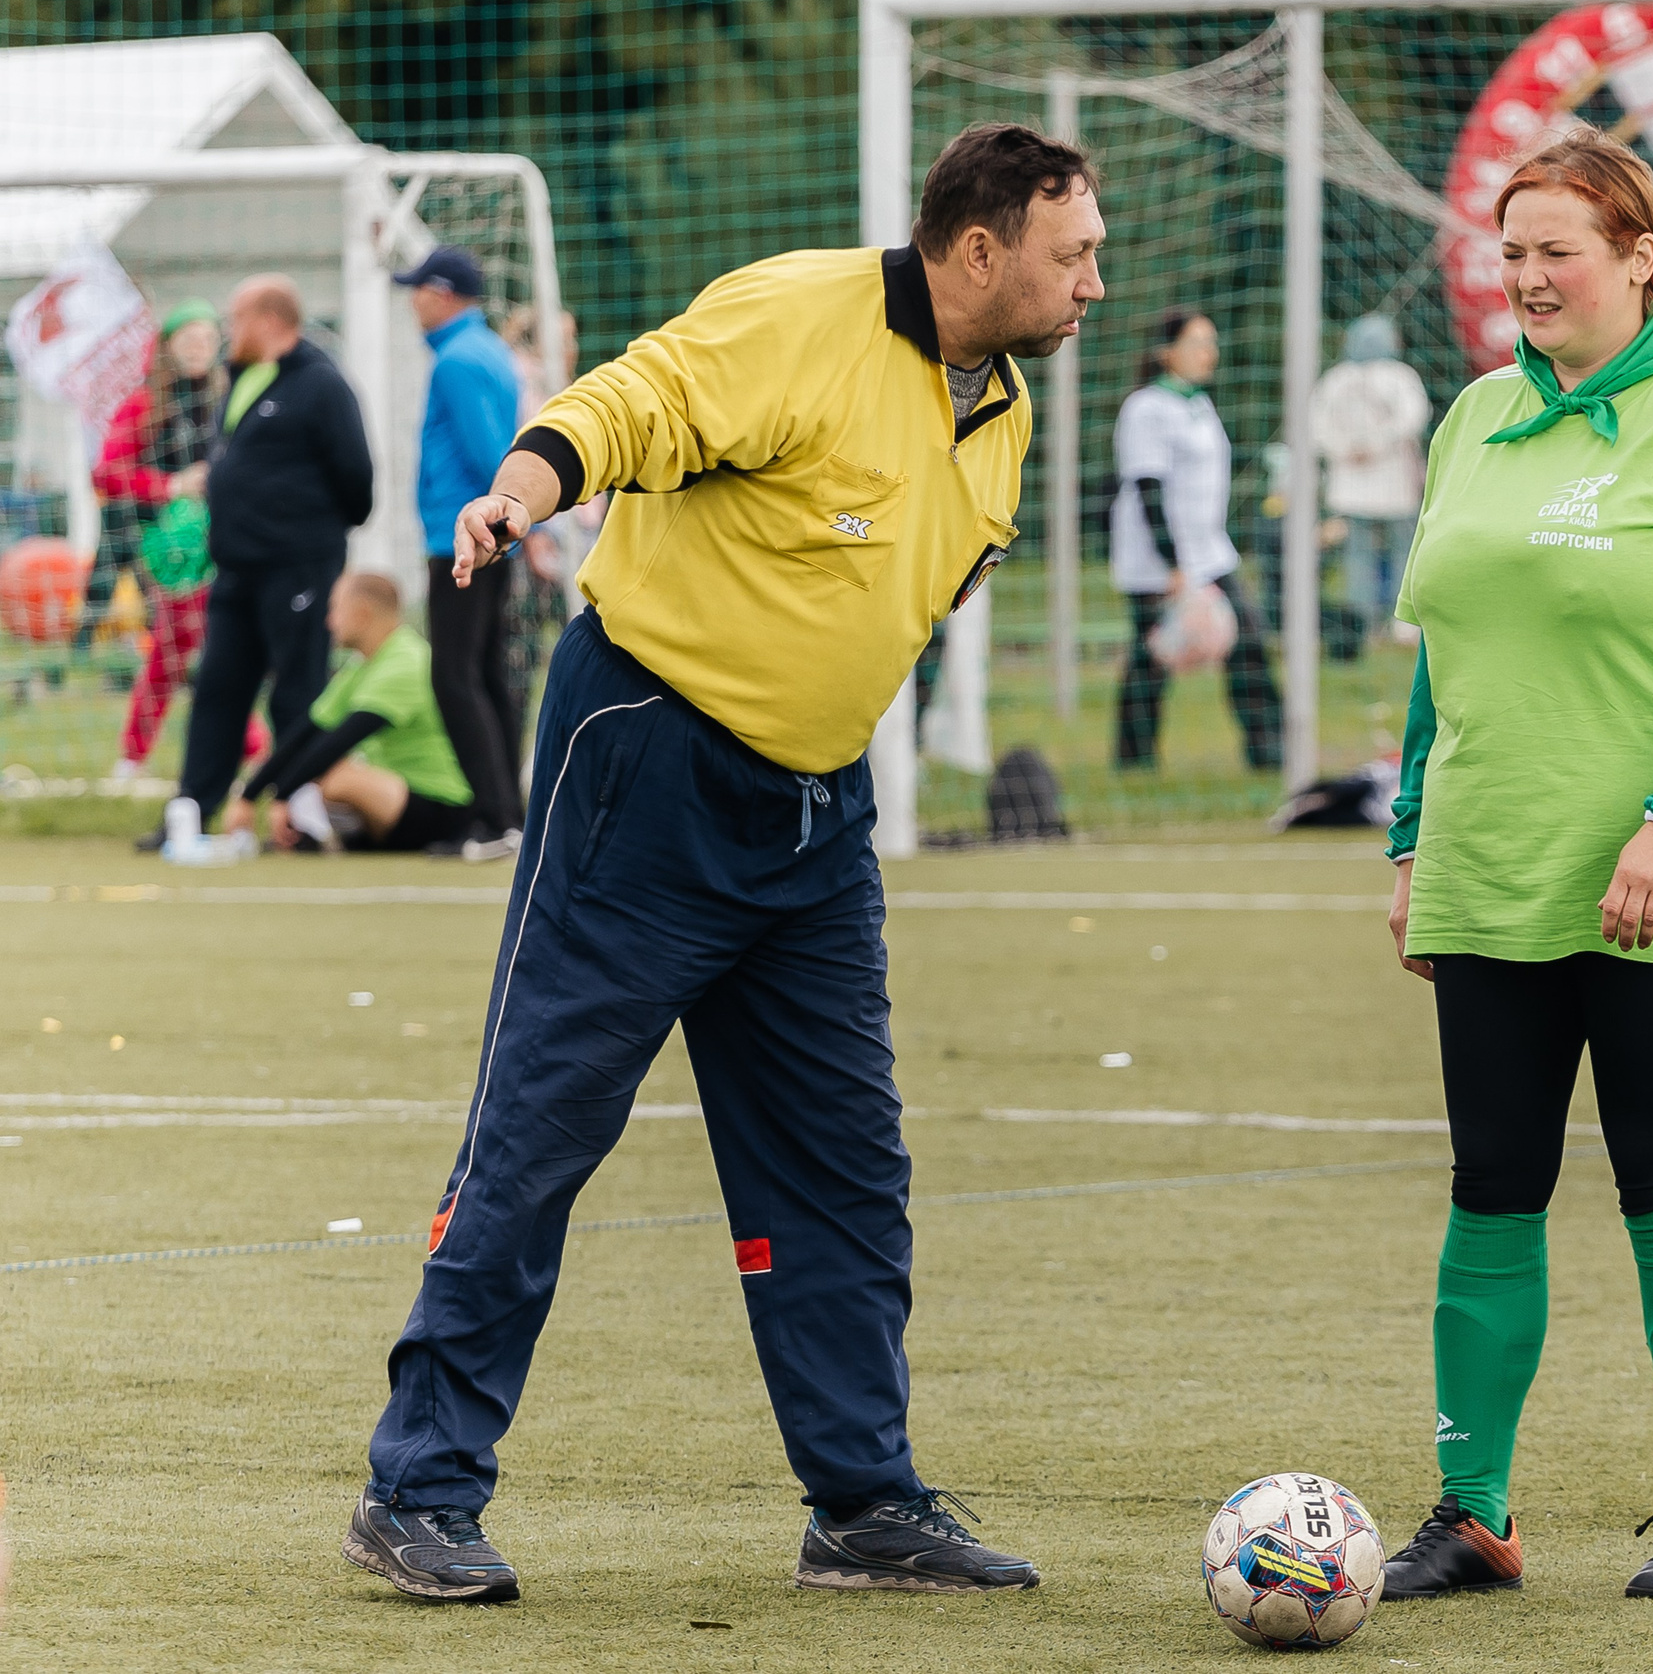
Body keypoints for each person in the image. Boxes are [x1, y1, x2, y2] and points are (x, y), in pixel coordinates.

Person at [344, 122, 1105, 1606]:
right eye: (1072, 253)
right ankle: (417, 1488)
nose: (1095, 282)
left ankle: (864, 1503)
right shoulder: (797, 314)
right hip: (647, 762)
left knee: (845, 1163)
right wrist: (521, 487)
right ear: (979, 249)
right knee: (540, 1130)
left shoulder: (1000, 406)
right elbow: (627, 406)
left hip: (816, 818)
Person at [1378, 128, 1653, 1604]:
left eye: (1559, 248)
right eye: (1512, 251)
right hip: (1489, 859)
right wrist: (1414, 836)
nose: (1529, 278)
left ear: (1640, 254)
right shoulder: (1475, 413)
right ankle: (1474, 1512)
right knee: (1490, 1180)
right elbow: (1445, 643)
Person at [153, 275, 373, 854]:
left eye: (236, 318)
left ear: (269, 321)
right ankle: (192, 811)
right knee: (218, 689)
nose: (229, 331)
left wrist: (302, 530)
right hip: (236, 570)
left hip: (298, 567)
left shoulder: (323, 385)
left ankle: (297, 815)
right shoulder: (243, 380)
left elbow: (358, 482)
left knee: (298, 692)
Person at [93, 299, 269, 777]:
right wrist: (170, 487)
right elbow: (107, 474)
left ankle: (141, 757)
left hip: (230, 546)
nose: (199, 348)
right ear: (168, 347)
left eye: (208, 339)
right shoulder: (143, 407)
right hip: (173, 555)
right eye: (188, 339)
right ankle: (254, 751)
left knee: (202, 651)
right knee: (186, 650)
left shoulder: (231, 398)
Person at [1109, 308, 1282, 770]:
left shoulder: (1199, 404)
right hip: (1160, 562)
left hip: (1211, 554)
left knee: (1248, 646)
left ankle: (1270, 753)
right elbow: (1147, 489)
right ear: (1167, 352)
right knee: (1153, 659)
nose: (1210, 353)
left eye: (1212, 342)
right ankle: (1134, 760)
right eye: (1197, 343)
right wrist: (1172, 565)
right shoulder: (1146, 408)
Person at [398, 246, 525, 858]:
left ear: (442, 293)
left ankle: (495, 817)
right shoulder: (484, 351)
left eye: (418, 289)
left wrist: (489, 527)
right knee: (484, 672)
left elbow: (487, 454)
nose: (411, 300)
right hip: (488, 538)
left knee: (455, 675)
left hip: (465, 538)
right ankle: (507, 815)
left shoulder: (458, 361)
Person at [227, 572, 475, 853]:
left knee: (335, 776)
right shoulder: (363, 664)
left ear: (361, 613)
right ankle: (331, 837)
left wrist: (281, 796)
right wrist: (247, 796)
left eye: (334, 609)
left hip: (442, 806)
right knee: (315, 770)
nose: (328, 622)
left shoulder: (407, 659)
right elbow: (305, 734)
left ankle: (318, 836)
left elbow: (338, 742)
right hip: (399, 797)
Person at [1309, 313, 1430, 642]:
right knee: (1401, 551)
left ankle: (1362, 624)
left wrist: (1347, 449)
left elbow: (1317, 426)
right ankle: (1400, 623)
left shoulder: (1336, 378)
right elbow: (1414, 417)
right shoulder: (1400, 376)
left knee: (1359, 555)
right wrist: (1375, 445)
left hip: (1353, 483)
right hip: (1391, 484)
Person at [501, 303, 608, 619]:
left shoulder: (563, 386)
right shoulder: (530, 390)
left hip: (576, 522)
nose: (571, 349)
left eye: (572, 339)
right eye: (563, 341)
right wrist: (535, 529)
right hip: (550, 524)